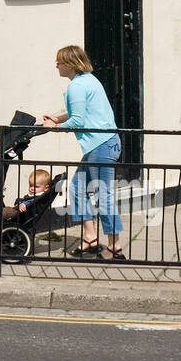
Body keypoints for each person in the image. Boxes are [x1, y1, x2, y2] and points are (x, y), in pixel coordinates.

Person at [40, 45, 126, 261]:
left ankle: (115, 247)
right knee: (78, 188)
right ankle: (90, 238)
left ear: (69, 64)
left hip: (101, 145)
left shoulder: (77, 86)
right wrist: (57, 119)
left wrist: (56, 128)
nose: (56, 66)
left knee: (103, 194)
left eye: (59, 62)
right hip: (102, 144)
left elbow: (77, 120)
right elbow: (80, 112)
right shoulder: (88, 80)